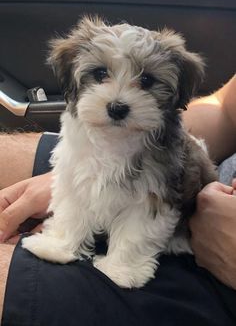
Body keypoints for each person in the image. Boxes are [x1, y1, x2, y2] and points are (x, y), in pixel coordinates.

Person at [0, 75, 235, 325]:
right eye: (102, 75)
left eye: (143, 81)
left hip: (213, 278)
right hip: (140, 149)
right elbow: (224, 109)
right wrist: (93, 168)